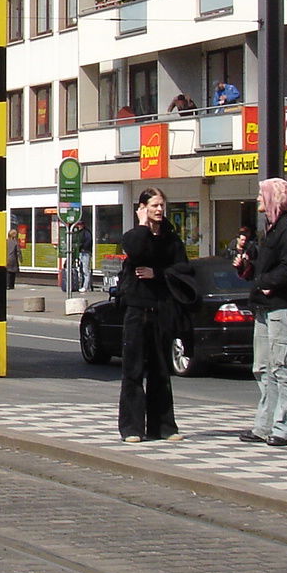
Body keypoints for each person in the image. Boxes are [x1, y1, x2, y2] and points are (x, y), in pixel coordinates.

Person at [117, 188, 185, 444]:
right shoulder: (136, 235)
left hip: (160, 309)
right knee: (133, 371)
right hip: (137, 310)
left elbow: (182, 269)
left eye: (161, 206)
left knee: (160, 370)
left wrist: (157, 274)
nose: (159, 210)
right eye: (154, 205)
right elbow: (135, 250)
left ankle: (163, 426)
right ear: (143, 207)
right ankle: (132, 428)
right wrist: (143, 225)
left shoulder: (171, 238)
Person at [241, 177, 287, 447]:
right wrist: (246, 265)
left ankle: (285, 428)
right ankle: (264, 426)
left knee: (283, 368)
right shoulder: (271, 228)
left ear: (273, 198)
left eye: (261, 194)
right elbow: (265, 268)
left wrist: (267, 284)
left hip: (280, 307)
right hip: (264, 309)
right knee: (263, 368)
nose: (257, 199)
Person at [6, 224, 22, 291]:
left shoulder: (5, 242)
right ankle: (11, 285)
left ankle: (7, 285)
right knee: (13, 272)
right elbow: (18, 251)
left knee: (8, 272)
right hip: (13, 259)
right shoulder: (15, 242)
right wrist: (20, 259)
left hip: (7, 258)